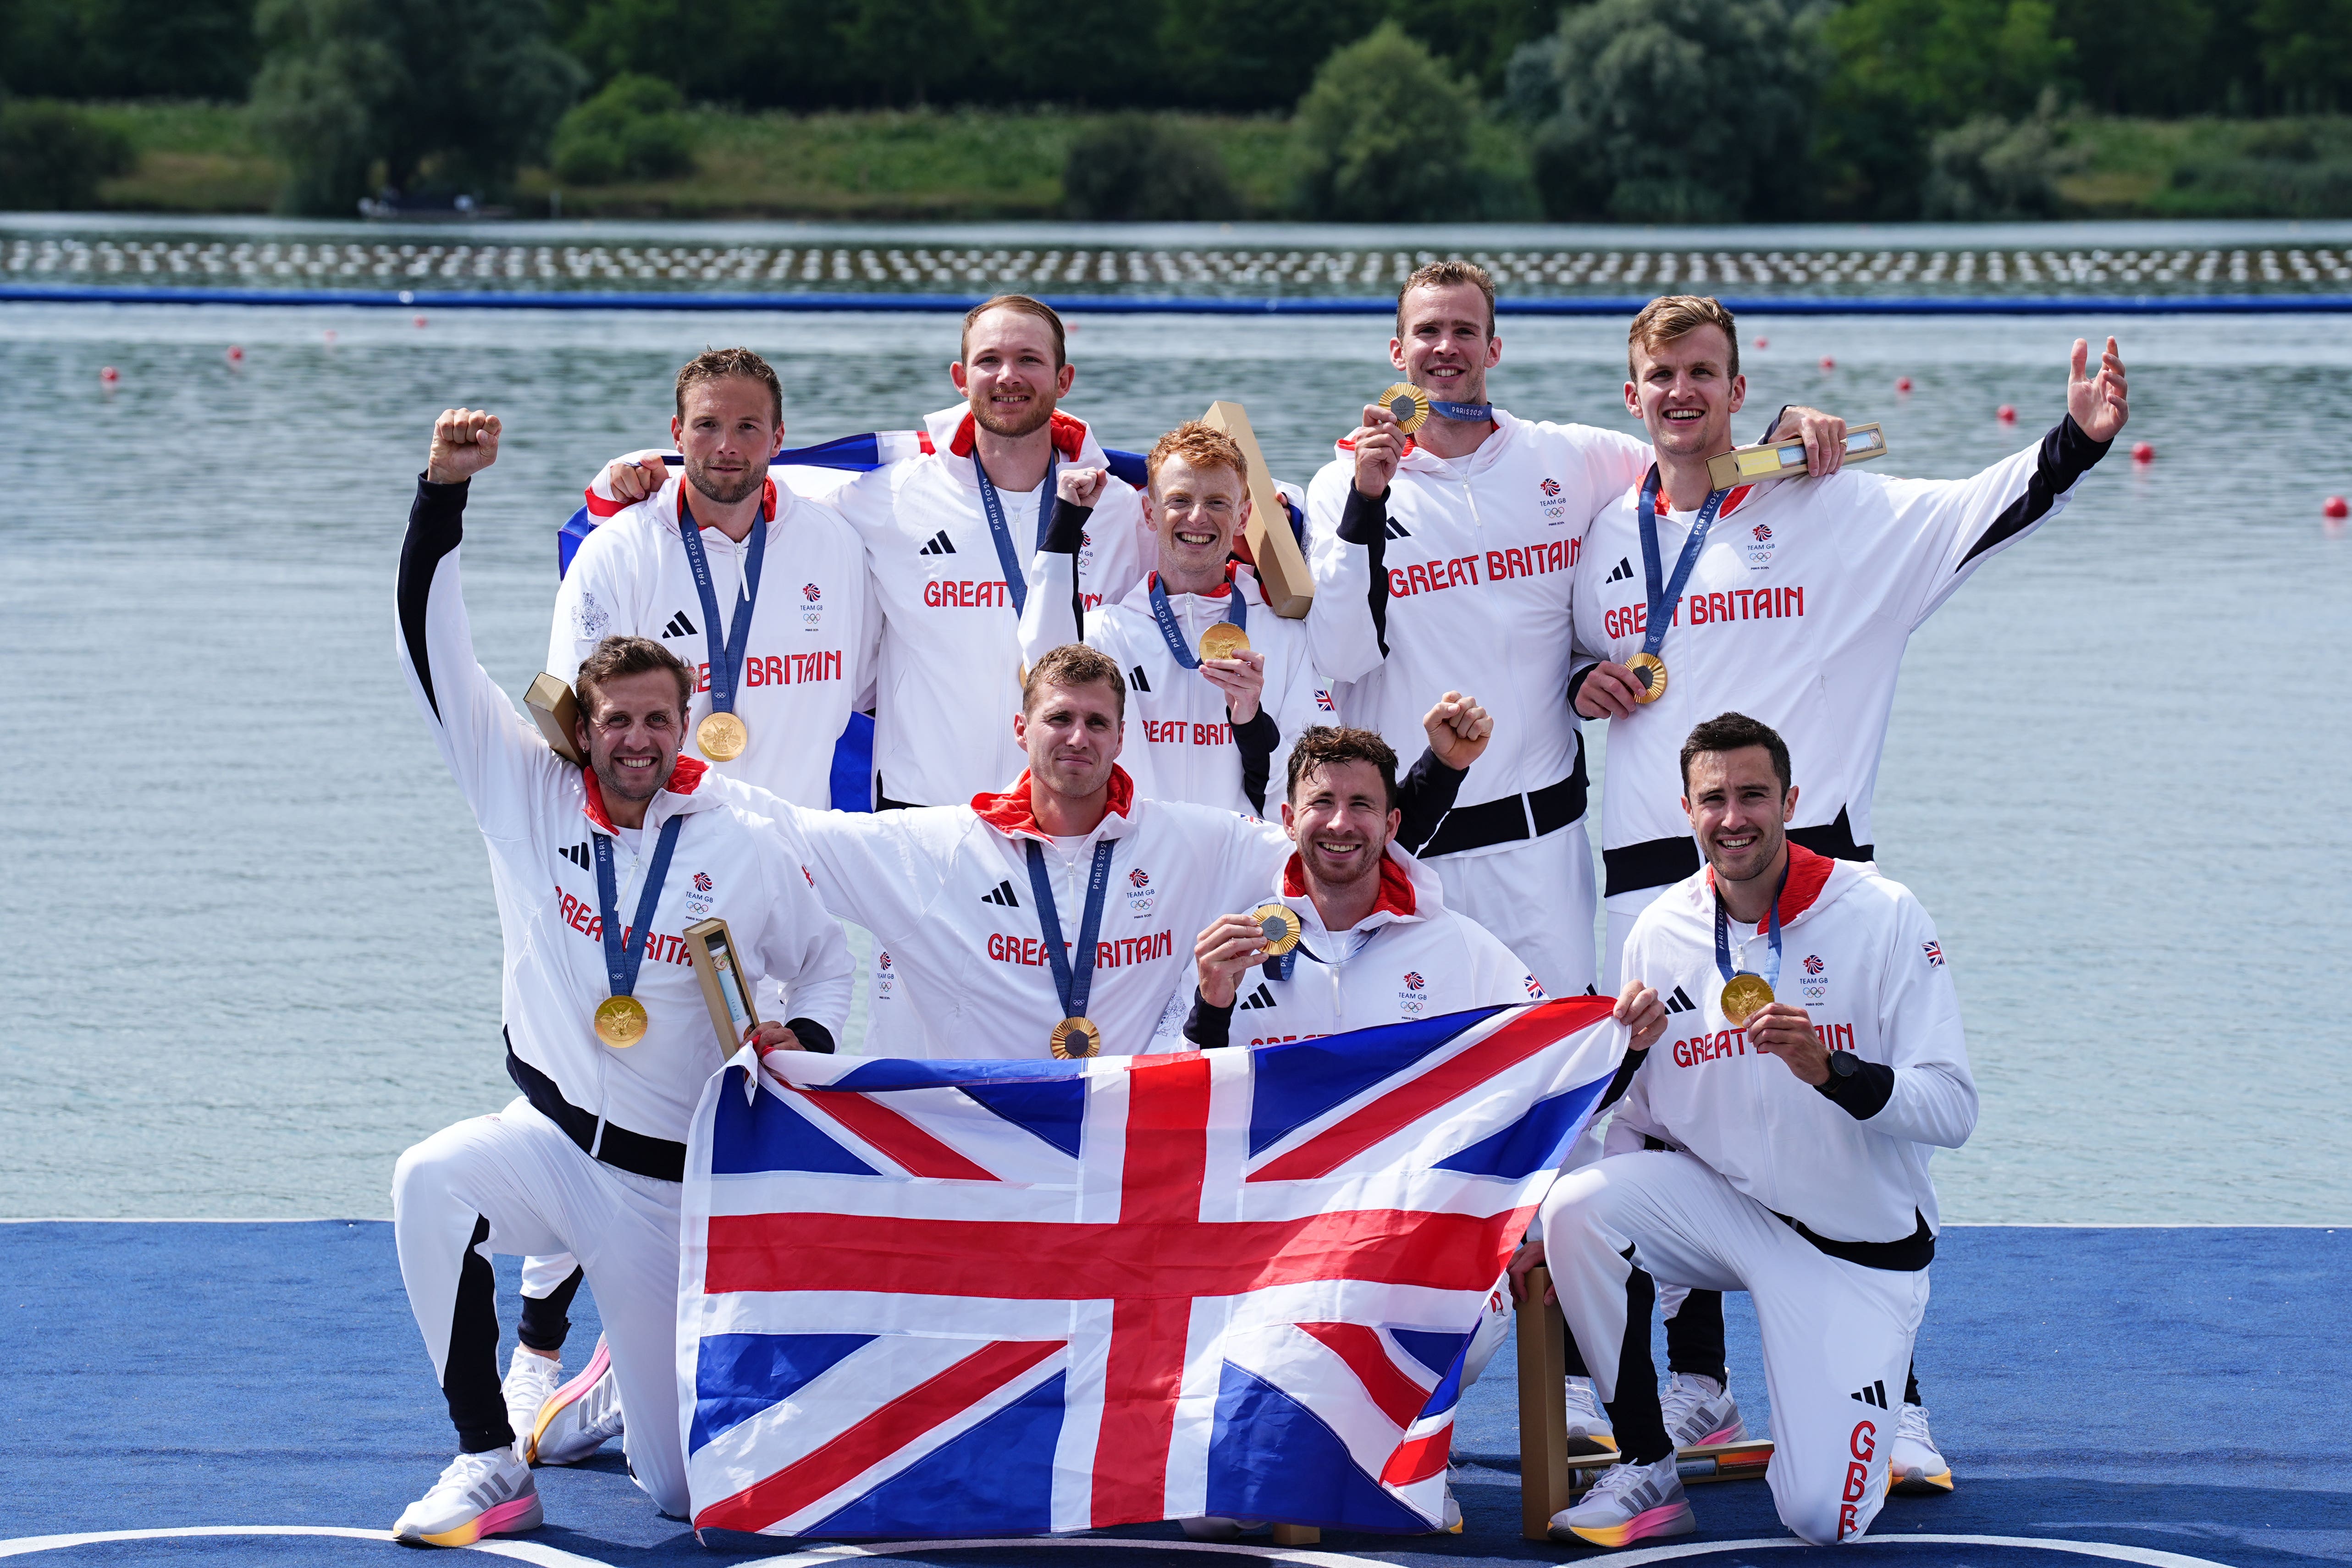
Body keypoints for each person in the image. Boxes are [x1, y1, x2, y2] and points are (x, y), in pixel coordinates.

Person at [1566, 295, 2131, 1481]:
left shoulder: (1827, 505)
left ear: (1737, 387)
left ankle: (1898, 1397)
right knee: (1660, 1120)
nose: (1681, 392)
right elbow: (1567, 655)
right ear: (1633, 395)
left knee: (1846, 1121)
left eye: (1703, 373)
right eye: (1660, 374)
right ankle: (1697, 1387)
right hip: (1649, 883)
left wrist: (2072, 443)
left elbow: (1973, 517)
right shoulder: (1604, 533)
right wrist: (1582, 676)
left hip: (1805, 872)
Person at [387, 407, 853, 1546]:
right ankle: (488, 1460)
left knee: (681, 1498)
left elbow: (827, 960)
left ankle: (602, 1395)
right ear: (579, 725)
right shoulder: (525, 789)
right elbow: (430, 644)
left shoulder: (742, 831)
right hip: (548, 1145)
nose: (635, 740)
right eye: (613, 720)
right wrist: (441, 492)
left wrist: (809, 1040)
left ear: (683, 721)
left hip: (662, 1193)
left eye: (656, 720)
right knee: (427, 1178)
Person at [515, 347, 880, 1467]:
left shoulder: (832, 538)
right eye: (706, 427)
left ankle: (669, 1357)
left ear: (779, 433)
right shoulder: (621, 549)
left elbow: (864, 687)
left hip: (779, 869)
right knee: (596, 1096)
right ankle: (537, 1339)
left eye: (747, 426)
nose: (726, 448)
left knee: (751, 1110)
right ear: (674, 431)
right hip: (645, 861)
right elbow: (576, 721)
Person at [1305, 261, 1846, 997]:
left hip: (1543, 852)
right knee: (1416, 1085)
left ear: (1493, 350)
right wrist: (1367, 503)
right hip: (1413, 848)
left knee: (1559, 1069)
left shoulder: (1568, 458)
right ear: (1396, 353)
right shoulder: (1344, 483)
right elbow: (1337, 652)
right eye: (1426, 331)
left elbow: (1691, 459)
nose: (1445, 348)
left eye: (1465, 330)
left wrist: (1780, 431)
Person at [1510, 714, 1976, 1549]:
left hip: (1854, 1252)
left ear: (1791, 800)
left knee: (1819, 1520)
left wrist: (1834, 1072)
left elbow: (1952, 1108)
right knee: (1577, 1207)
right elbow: (1645, 1124)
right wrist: (1585, 1248)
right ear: (1685, 810)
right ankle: (1647, 1464)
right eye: (1714, 798)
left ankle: (1877, 1392)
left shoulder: (1884, 913)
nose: (1735, 818)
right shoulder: (1660, 929)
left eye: (1754, 795)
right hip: (1728, 1219)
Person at [718, 641, 1495, 1060]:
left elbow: (1343, 853)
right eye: (1059, 719)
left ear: (1124, 737)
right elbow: (778, 831)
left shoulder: (1196, 842)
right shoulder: (938, 845)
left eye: (1097, 723)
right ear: (1021, 731)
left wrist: (1440, 769)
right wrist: (643, 767)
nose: (1078, 738)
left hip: (1127, 1148)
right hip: (982, 1144)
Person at [1020, 420, 1336, 817]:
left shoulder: (1285, 637)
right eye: (1179, 501)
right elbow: (1042, 672)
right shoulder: (1104, 631)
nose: (1198, 517)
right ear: (1150, 513)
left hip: (1239, 862)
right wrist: (1063, 527)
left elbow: (1317, 783)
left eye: (1218, 503)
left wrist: (1254, 722)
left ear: (1243, 518)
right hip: (1136, 863)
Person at [1178, 725, 1546, 1050]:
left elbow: (1551, 1053)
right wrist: (1211, 1009)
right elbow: (1181, 1098)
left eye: (1361, 804)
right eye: (1322, 802)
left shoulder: (1462, 946)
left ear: (1391, 825)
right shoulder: (1232, 952)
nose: (1340, 824)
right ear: (1289, 821)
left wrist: (1604, 1032)